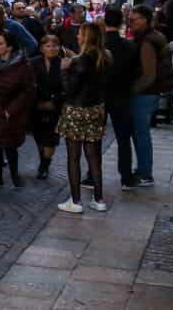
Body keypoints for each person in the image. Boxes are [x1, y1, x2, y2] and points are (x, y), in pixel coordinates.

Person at [57, 23, 111, 213]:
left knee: (74, 156)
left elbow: (69, 89)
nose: (77, 36)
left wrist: (65, 69)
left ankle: (76, 201)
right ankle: (99, 198)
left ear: (86, 37)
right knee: (94, 157)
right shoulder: (105, 57)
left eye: (80, 34)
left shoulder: (78, 62)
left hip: (76, 110)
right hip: (96, 109)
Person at [0, 31, 35, 188]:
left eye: (0, 43)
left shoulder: (22, 66)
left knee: (10, 146)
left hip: (11, 112)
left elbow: (28, 91)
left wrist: (11, 110)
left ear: (9, 47)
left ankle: (14, 176)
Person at [130, 5, 173, 187]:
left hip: (145, 93)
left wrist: (132, 91)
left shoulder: (148, 41)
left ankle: (145, 173)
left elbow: (149, 75)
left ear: (145, 20)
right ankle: (144, 170)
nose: (131, 22)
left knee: (141, 134)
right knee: (141, 133)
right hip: (151, 92)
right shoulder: (155, 36)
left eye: (134, 19)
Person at [102, 7, 138, 191]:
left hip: (100, 95)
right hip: (122, 95)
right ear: (121, 23)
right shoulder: (129, 45)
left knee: (95, 138)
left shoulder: (99, 44)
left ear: (104, 22)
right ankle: (126, 177)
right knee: (124, 139)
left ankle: (92, 175)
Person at [29, 35, 65, 180]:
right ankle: (43, 158)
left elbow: (68, 87)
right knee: (39, 136)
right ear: (42, 48)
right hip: (36, 106)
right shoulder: (33, 63)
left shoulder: (64, 63)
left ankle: (44, 166)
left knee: (50, 139)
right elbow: (27, 83)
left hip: (55, 108)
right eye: (48, 46)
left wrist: (54, 102)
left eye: (55, 46)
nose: (51, 49)